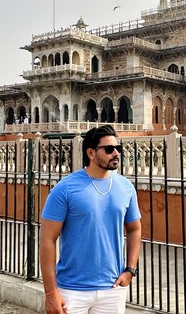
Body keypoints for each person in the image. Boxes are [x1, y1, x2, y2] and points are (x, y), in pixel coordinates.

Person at [40, 125, 142, 314]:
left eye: (117, 148)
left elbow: (135, 229)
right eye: (109, 149)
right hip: (72, 289)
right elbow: (47, 239)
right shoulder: (66, 189)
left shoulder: (125, 187)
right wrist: (51, 292)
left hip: (112, 288)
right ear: (91, 153)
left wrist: (130, 270)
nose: (116, 153)